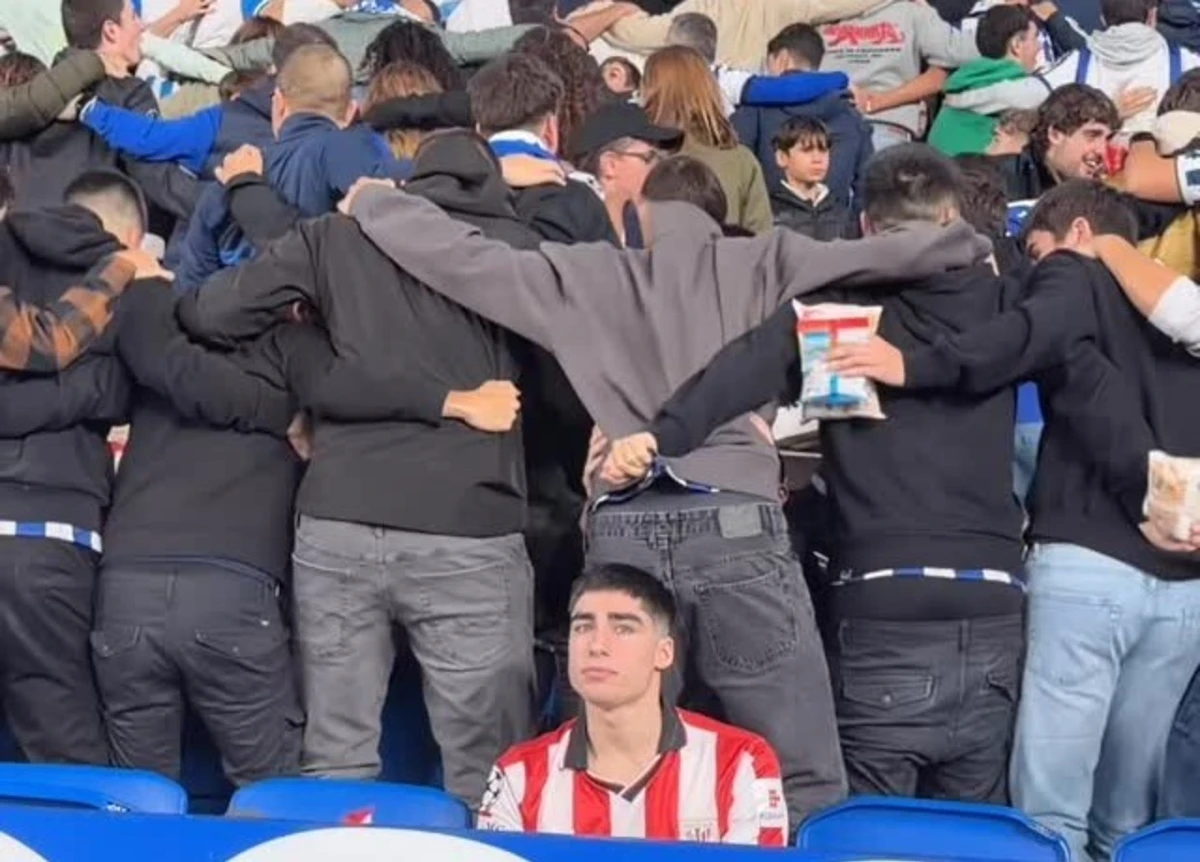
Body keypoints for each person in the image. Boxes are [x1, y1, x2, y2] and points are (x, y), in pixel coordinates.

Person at [334, 158, 990, 828]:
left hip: (625, 530)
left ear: (636, 214)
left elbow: (462, 260)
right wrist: (970, 243)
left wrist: (378, 202)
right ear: (715, 213)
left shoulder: (586, 272)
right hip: (739, 527)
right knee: (803, 776)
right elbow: (898, 251)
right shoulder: (767, 258)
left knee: (604, 767)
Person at [602, 145, 1028, 804]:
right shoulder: (1007, 306)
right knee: (971, 835)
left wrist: (661, 436)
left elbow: (741, 369)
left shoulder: (843, 313)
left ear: (863, 230)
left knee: (869, 836)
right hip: (997, 598)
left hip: (885, 602)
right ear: (951, 217)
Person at [826, 180, 1200, 860]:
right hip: (1186, 581)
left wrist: (913, 364)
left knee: (1048, 818)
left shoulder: (1070, 285)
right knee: (1131, 821)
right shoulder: (1185, 312)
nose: (1028, 273)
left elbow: (1086, 395)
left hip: (1091, 563)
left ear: (1078, 236)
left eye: (1036, 250)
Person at [176, 129, 539, 812]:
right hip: (467, 523)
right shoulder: (516, 250)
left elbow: (210, 310)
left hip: (338, 519)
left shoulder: (336, 238)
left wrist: (306, 339)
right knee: (487, 770)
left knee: (337, 761)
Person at [59, 169, 299, 787]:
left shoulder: (151, 327)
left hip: (128, 587)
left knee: (139, 804)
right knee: (270, 801)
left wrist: (142, 285)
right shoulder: (298, 348)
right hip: (233, 587)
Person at [0, 172, 174, 765]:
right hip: (55, 530)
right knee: (60, 735)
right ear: (132, 233)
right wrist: (95, 390)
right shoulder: (130, 280)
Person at [477, 564, 788, 845]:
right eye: (583, 627)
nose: (597, 646)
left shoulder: (739, 762)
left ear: (664, 653)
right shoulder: (517, 774)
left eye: (623, 628)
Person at [177, 41, 406, 288]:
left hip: (244, 318)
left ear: (279, 104)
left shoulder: (229, 176)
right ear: (351, 112)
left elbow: (190, 288)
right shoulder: (366, 152)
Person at [945, 0, 1200, 135]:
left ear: (1103, 18)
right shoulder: (1188, 63)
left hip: (1096, 185)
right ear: (1152, 17)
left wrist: (961, 98)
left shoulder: (1078, 63)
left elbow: (1016, 95)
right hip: (1161, 181)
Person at [732, 23, 871, 211]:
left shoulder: (755, 110)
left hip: (771, 234)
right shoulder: (850, 114)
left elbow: (737, 175)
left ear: (782, 59)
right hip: (836, 234)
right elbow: (867, 187)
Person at [642, 46, 772, 234]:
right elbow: (761, 241)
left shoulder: (638, 156)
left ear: (654, 90)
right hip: (729, 261)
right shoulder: (740, 159)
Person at [817, 0, 979, 150]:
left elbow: (963, 55)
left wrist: (876, 102)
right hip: (824, 124)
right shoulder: (815, 12)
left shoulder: (911, 11)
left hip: (881, 121)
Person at [928, 5, 1046, 157]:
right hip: (973, 175)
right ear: (1016, 45)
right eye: (1035, 37)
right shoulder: (1020, 91)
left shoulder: (963, 82)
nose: (1039, 46)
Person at [569, 100, 683, 244]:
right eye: (651, 157)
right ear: (610, 165)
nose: (661, 168)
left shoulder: (637, 226)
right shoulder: (568, 219)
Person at [769, 116, 855, 240]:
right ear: (782, 157)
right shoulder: (770, 211)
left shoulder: (839, 209)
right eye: (806, 150)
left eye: (823, 150)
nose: (817, 159)